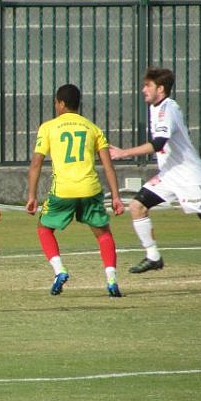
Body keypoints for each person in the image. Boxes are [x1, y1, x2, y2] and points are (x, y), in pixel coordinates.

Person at [109, 67, 201, 274]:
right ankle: (153, 256)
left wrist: (124, 153)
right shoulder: (156, 107)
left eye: (148, 86)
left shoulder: (167, 108)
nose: (143, 89)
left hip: (188, 176)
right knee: (137, 206)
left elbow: (159, 143)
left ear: (160, 89)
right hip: (169, 175)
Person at [26, 84, 125, 297]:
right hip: (90, 189)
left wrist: (32, 196)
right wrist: (116, 196)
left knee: (44, 229)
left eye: (56, 102)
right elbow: (108, 165)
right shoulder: (93, 128)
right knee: (103, 234)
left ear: (61, 103)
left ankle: (59, 270)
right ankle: (111, 279)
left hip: (63, 191)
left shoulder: (49, 127)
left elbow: (36, 164)